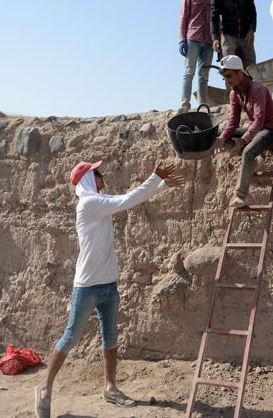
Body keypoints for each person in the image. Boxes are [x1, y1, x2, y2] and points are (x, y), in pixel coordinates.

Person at [35, 160, 184, 417]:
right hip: (87, 286)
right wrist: (154, 178)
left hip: (107, 284)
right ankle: (45, 388)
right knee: (71, 336)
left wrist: (159, 185)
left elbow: (126, 200)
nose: (102, 175)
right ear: (88, 179)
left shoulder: (97, 200)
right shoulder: (89, 204)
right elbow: (124, 201)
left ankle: (110, 388)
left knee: (110, 338)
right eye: (98, 173)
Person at [214, 55, 273, 208]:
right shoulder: (234, 93)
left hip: (270, 130)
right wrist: (221, 139)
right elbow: (233, 121)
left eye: (229, 76)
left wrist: (243, 141)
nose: (227, 81)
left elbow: (259, 120)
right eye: (224, 78)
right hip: (256, 130)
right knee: (219, 133)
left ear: (240, 73)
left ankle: (240, 196)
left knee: (247, 152)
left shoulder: (257, 89)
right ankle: (245, 155)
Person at [179, 0, 215, 111]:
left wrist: (217, 41)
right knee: (189, 72)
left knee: (204, 75)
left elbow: (216, 20)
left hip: (208, 41)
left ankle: (202, 104)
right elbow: (183, 18)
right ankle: (185, 104)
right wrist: (182, 39)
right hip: (192, 38)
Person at [210, 0, 257, 69]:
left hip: (246, 35)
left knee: (252, 69)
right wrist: (215, 38)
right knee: (229, 68)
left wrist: (252, 29)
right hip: (228, 35)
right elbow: (214, 18)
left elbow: (252, 12)